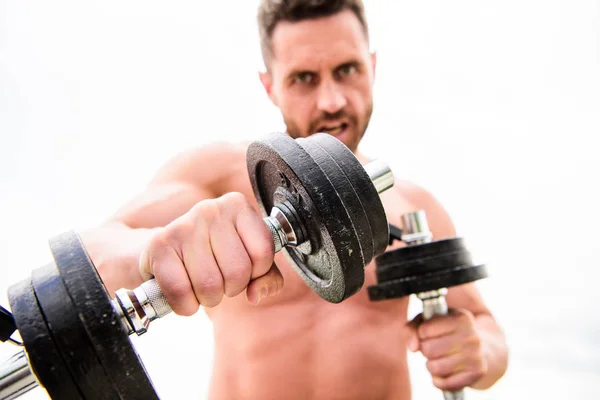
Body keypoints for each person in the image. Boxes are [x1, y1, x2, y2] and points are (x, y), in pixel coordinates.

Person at [81, 1, 509, 398]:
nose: (332, 101)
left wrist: (478, 353)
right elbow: (94, 251)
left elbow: (484, 326)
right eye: (304, 78)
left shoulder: (414, 206)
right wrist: (150, 254)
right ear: (270, 86)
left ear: (372, 67)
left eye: (347, 70)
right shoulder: (220, 177)